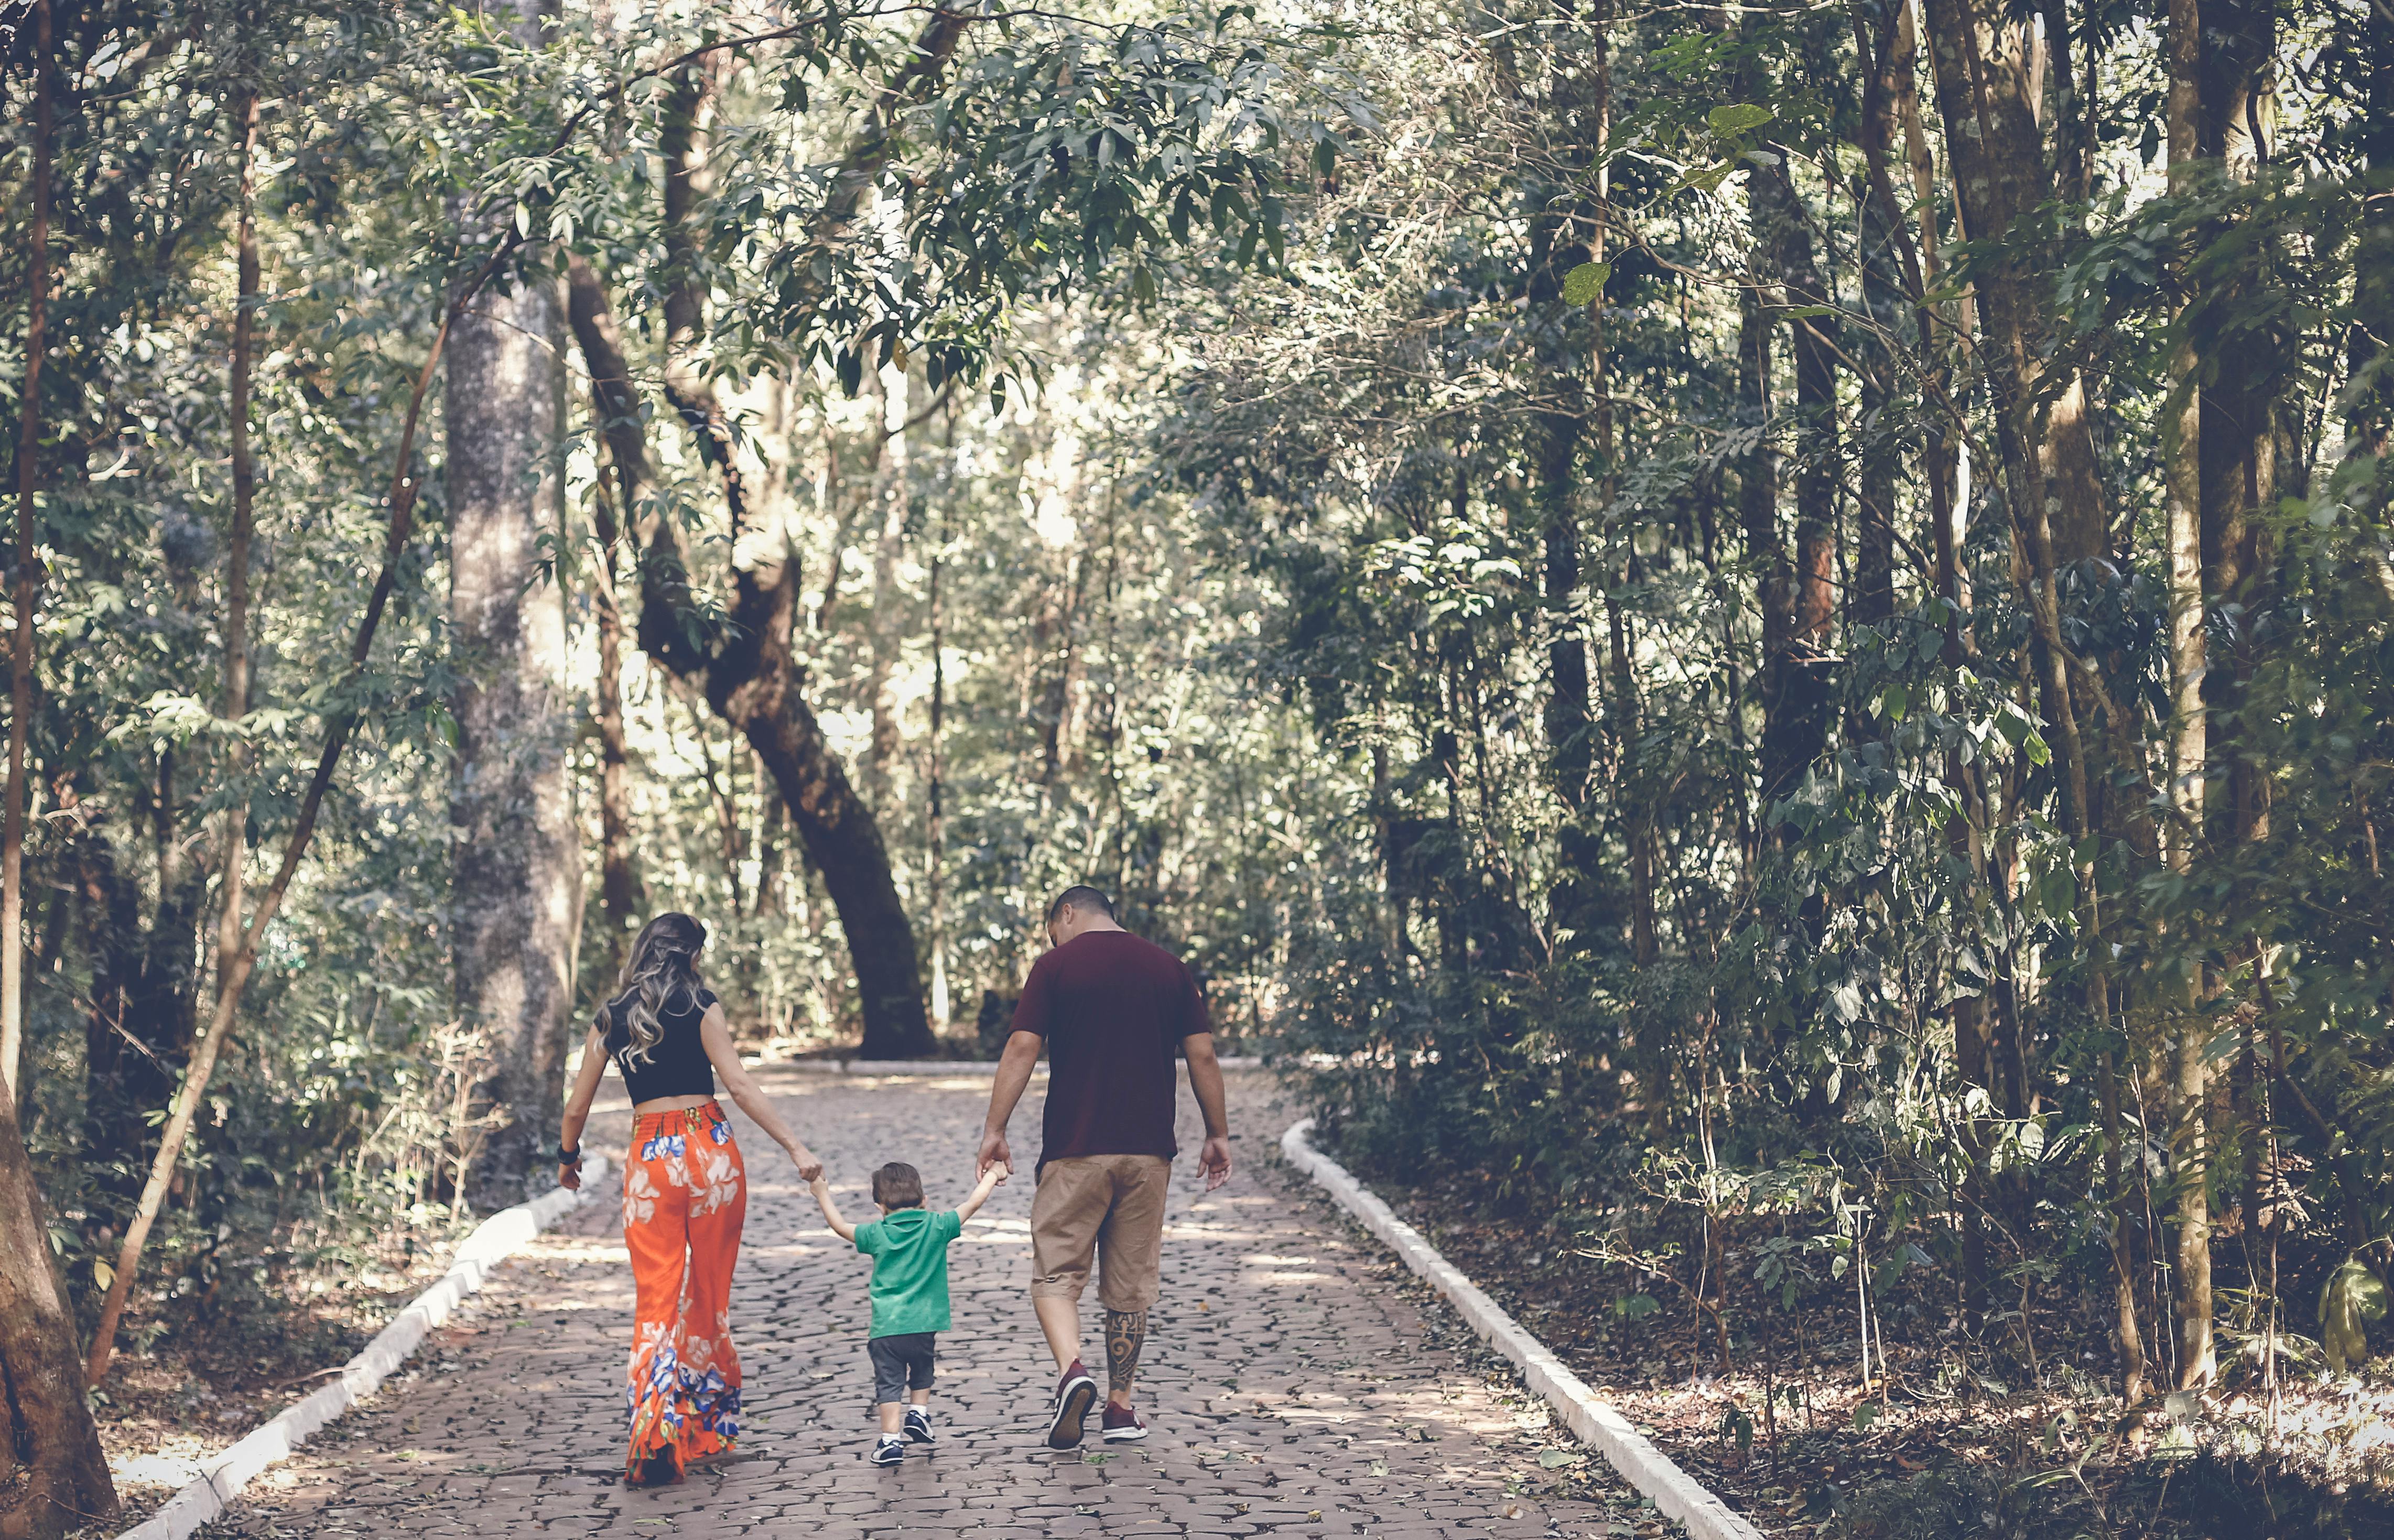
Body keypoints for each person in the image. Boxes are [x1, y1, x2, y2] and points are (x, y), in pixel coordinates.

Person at [558, 913, 825, 1488]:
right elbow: (740, 1084)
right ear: (692, 956)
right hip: (713, 1152)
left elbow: (577, 1107)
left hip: (652, 1158)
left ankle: (655, 1434)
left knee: (657, 1295)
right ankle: (704, 1429)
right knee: (708, 1292)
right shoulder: (702, 1002)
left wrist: (568, 1156)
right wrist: (795, 1147)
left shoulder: (611, 1016)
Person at [978, 885, 1232, 1450]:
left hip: (1075, 1147)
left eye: (1053, 928)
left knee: (1054, 1274)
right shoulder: (1170, 969)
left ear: (1066, 914)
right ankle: (1120, 1409)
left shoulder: (1055, 966)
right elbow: (1203, 1056)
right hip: (1148, 1153)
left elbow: (1022, 1048)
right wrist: (1216, 1133)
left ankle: (1073, 1371)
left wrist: (995, 1129)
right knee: (1129, 1285)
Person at [808, 1159, 1006, 1465]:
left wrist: (821, 1192)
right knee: (923, 1368)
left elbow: (839, 1226)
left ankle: (890, 1442)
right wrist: (993, 1175)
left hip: (887, 1327)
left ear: (880, 1206)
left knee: (889, 1382)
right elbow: (973, 1203)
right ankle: (919, 1414)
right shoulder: (938, 1225)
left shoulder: (876, 1233)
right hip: (926, 1323)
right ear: (924, 1201)